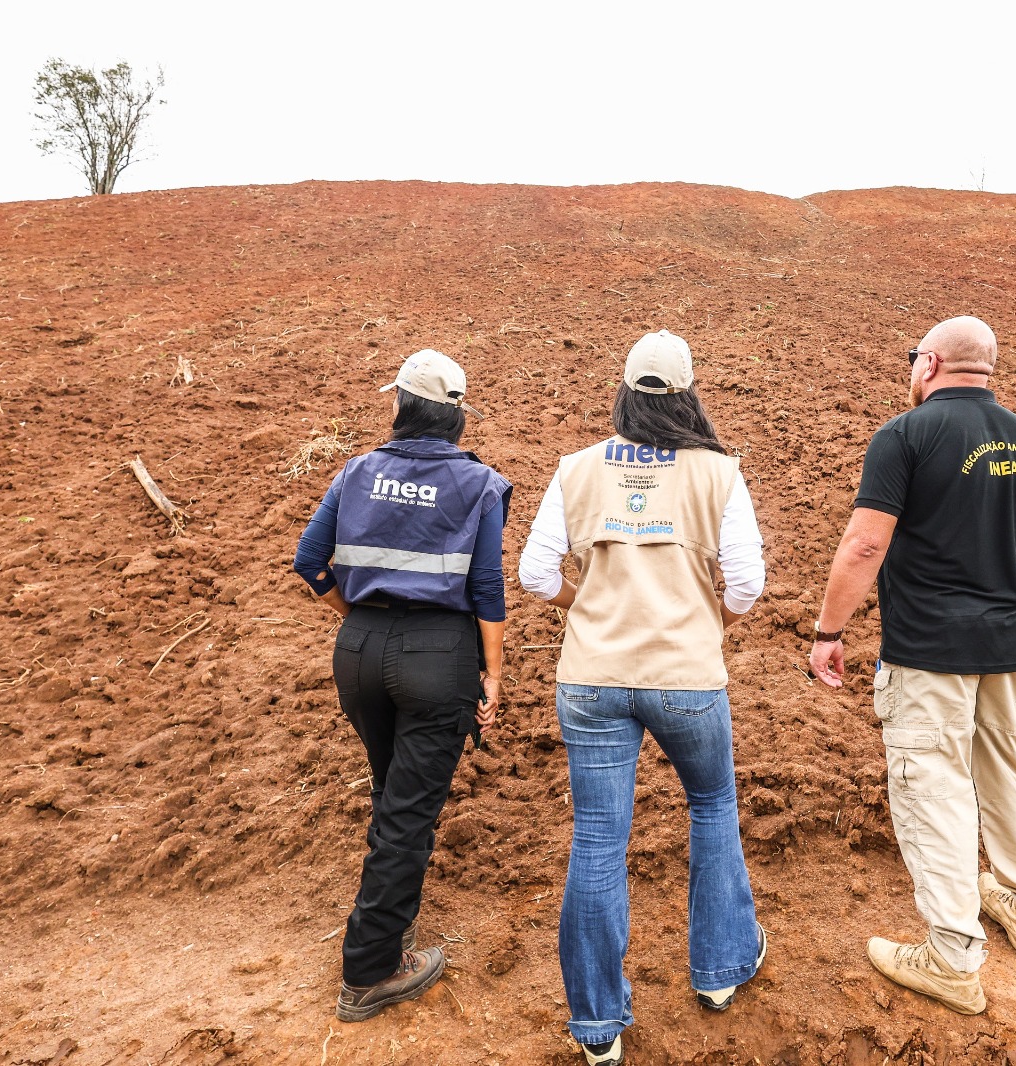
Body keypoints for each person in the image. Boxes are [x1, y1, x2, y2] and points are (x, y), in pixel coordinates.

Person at [519, 330, 768, 1066]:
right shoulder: (717, 473)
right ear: (689, 391)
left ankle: (598, 1029)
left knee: (598, 837)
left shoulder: (576, 469)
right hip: (687, 678)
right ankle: (720, 974)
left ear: (624, 389)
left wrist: (587, 606)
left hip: (590, 678)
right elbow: (748, 584)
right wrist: (706, 621)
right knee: (713, 806)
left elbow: (535, 574)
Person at [807, 315, 1016, 1015]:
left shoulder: (907, 435)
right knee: (1007, 768)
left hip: (929, 653)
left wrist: (830, 629)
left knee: (933, 785)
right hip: (1010, 649)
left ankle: (952, 956)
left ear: (930, 363)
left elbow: (865, 546)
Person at [292, 349, 512, 1022]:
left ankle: (389, 928)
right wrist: (493, 671)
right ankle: (370, 970)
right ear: (457, 420)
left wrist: (356, 619)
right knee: (409, 813)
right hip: (437, 658)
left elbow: (309, 561)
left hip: (358, 650)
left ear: (400, 407)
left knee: (395, 797)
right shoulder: (479, 486)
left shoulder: (356, 471)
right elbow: (486, 590)